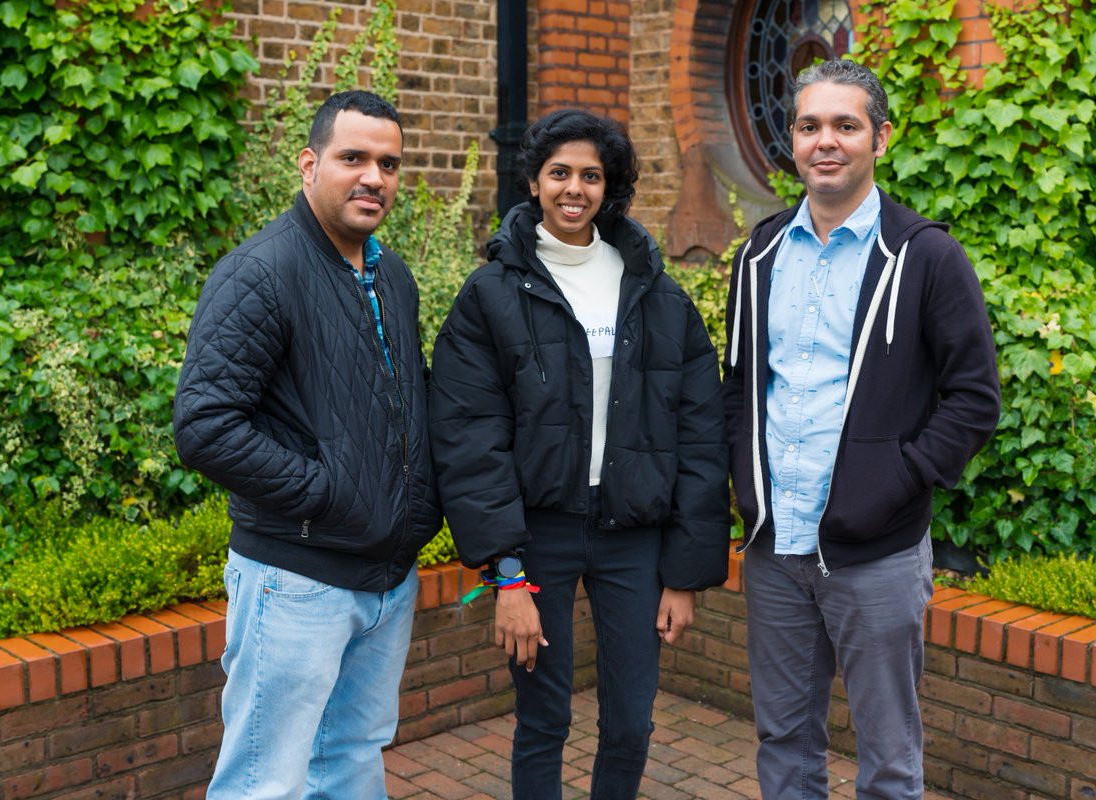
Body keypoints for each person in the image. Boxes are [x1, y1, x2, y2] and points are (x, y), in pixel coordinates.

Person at [428, 109, 730, 799]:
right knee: (544, 718)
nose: (574, 188)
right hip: (539, 537)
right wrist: (506, 575)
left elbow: (699, 434)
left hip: (635, 539)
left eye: (591, 175)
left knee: (630, 723)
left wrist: (684, 574)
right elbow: (469, 436)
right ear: (533, 181)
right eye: (559, 172)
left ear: (610, 186)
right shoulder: (491, 296)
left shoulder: (656, 292)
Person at [723, 59, 1001, 798]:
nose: (826, 142)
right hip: (776, 547)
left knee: (887, 758)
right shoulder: (757, 256)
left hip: (875, 553)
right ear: (792, 140)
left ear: (880, 137)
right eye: (810, 125)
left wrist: (897, 479)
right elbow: (742, 386)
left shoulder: (925, 256)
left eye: (846, 126)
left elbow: (974, 399)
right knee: (784, 743)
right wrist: (744, 486)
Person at [173, 90, 441, 799]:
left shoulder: (392, 277)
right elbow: (205, 426)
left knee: (352, 758)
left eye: (389, 163)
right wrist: (329, 495)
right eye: (353, 157)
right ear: (309, 163)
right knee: (265, 781)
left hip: (385, 581)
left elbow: (405, 403)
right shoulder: (261, 272)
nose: (374, 178)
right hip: (298, 580)